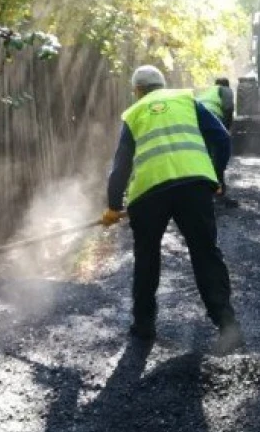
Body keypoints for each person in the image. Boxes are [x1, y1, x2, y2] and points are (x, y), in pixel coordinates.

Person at [102, 65, 245, 355]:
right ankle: (227, 324)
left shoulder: (134, 114)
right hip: (194, 185)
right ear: (163, 85)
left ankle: (144, 328)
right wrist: (216, 176)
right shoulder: (186, 101)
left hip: (149, 193)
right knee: (205, 252)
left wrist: (113, 206)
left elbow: (121, 167)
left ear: (137, 91)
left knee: (147, 257)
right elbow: (222, 138)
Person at [195, 78, 239, 209]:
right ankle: (219, 192)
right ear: (226, 85)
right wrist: (227, 128)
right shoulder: (225, 90)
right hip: (211, 118)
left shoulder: (206, 92)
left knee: (205, 156)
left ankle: (204, 193)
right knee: (219, 155)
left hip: (195, 120)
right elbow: (228, 107)